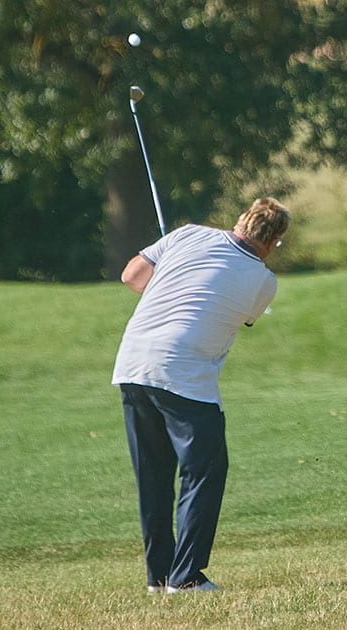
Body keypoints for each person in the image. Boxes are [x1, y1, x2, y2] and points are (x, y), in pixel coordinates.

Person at [112, 197, 290, 594]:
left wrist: (170, 282)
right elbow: (244, 317)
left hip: (132, 364)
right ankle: (186, 577)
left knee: (154, 475)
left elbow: (133, 275)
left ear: (240, 221)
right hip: (185, 375)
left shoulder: (188, 233)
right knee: (204, 471)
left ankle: (159, 577)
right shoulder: (263, 281)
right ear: (273, 242)